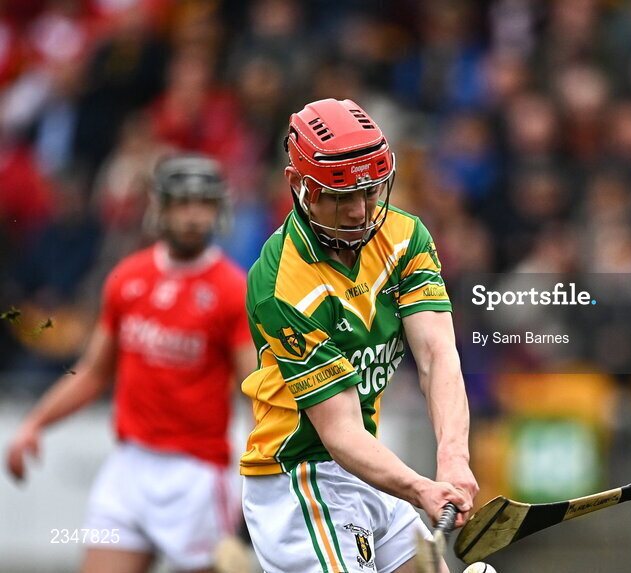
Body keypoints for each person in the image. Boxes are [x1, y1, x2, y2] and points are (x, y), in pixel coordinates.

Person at [239, 98, 478, 573]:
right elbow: (339, 429)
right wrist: (421, 489)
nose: (358, 212)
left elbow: (437, 356)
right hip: (300, 479)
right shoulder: (281, 285)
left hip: (366, 470)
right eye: (339, 195)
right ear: (298, 186)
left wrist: (453, 460)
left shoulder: (406, 239)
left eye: (370, 192)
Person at [6, 154, 253, 573]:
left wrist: (261, 477)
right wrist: (35, 423)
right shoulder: (127, 278)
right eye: (181, 203)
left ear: (218, 210)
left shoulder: (233, 289)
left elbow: (255, 391)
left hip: (197, 476)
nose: (193, 216)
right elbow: (93, 371)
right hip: (128, 470)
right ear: (159, 209)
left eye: (204, 203)